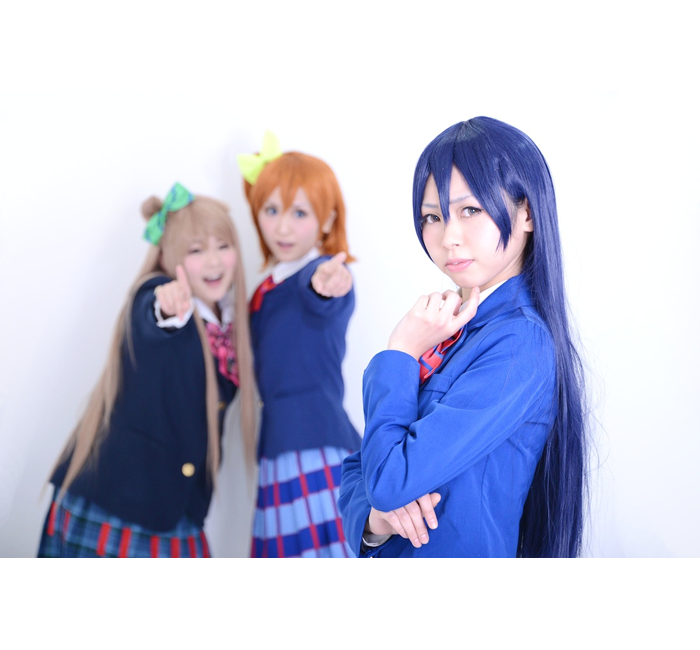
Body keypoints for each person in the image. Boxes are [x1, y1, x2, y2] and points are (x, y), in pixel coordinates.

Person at [338, 116, 589, 558]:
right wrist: (375, 520)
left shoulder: (519, 344)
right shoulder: (447, 328)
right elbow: (359, 467)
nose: (448, 237)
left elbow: (387, 479)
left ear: (527, 213)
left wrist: (400, 352)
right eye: (433, 216)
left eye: (470, 210)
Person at [37, 183, 256, 558]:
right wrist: (167, 308)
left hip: (175, 508)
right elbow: (153, 317)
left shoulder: (229, 325)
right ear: (168, 259)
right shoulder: (156, 293)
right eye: (196, 250)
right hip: (117, 503)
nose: (214, 261)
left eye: (223, 245)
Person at [238, 131, 361, 558]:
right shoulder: (264, 290)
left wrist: (327, 283)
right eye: (271, 210)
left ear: (327, 221)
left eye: (300, 212)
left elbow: (321, 290)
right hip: (277, 446)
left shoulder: (321, 272)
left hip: (315, 447)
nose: (283, 227)